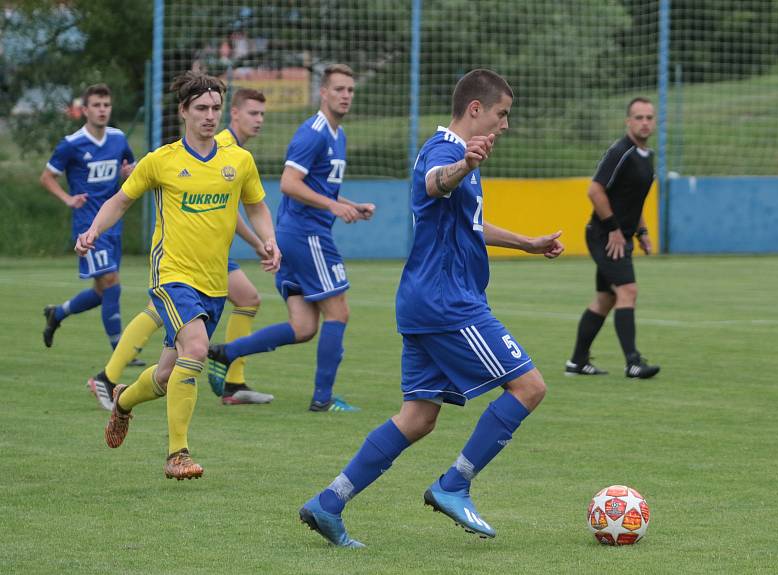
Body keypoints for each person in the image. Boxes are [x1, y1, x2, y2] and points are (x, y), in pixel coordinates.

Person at [298, 69, 564, 548]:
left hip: (424, 302)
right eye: (502, 114)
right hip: (449, 304)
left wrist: (527, 243)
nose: (505, 125)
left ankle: (329, 502)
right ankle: (455, 483)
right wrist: (463, 165)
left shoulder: (459, 155)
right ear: (476, 109)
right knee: (528, 387)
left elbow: (470, 223)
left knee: (418, 417)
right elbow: (436, 183)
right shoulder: (444, 151)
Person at [75, 71, 280, 480]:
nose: (209, 116)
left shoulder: (238, 160)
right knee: (198, 349)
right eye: (201, 108)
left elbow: (255, 205)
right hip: (172, 276)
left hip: (213, 283)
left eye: (215, 109)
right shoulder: (161, 161)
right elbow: (120, 200)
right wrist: (94, 230)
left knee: (169, 374)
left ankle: (123, 401)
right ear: (183, 111)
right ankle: (177, 454)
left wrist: (268, 240)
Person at [208, 64, 375, 413]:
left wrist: (348, 205)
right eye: (339, 89)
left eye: (350, 90)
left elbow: (317, 186)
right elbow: (288, 183)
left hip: (299, 236)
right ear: (323, 93)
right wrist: (332, 206)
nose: (345, 95)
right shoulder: (313, 133)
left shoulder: (337, 135)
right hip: (306, 235)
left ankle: (227, 352)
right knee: (338, 313)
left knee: (302, 327)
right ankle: (323, 399)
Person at [565, 97, 660, 379]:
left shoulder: (647, 155)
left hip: (620, 235)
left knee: (605, 300)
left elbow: (634, 202)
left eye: (649, 118)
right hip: (605, 236)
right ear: (628, 122)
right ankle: (633, 363)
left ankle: (577, 362)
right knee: (628, 291)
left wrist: (641, 231)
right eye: (639, 117)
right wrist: (615, 229)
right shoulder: (622, 151)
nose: (644, 122)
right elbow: (595, 191)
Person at [40, 84, 135, 353]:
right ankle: (122, 350)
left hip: (113, 224)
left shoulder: (118, 138)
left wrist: (130, 172)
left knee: (101, 292)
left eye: (106, 105)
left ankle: (57, 314)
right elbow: (46, 177)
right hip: (87, 227)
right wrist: (68, 199)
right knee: (112, 283)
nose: (102, 110)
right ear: (85, 110)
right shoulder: (71, 144)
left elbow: (131, 167)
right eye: (96, 105)